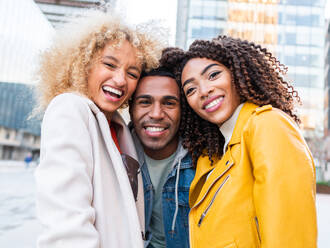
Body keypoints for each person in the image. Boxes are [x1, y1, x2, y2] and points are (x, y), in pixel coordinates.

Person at [161, 36, 317, 247]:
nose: (204, 91)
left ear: (237, 73)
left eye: (213, 75)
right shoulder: (216, 155)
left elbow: (289, 236)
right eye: (191, 89)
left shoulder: (267, 125)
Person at [34, 10, 163, 248]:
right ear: (82, 64)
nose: (121, 79)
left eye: (132, 73)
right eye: (109, 64)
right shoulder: (70, 109)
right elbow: (66, 225)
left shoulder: (117, 126)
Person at [128, 67, 195, 248]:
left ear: (183, 110)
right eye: (145, 102)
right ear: (131, 108)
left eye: (169, 103)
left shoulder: (204, 160)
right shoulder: (116, 156)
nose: (156, 114)